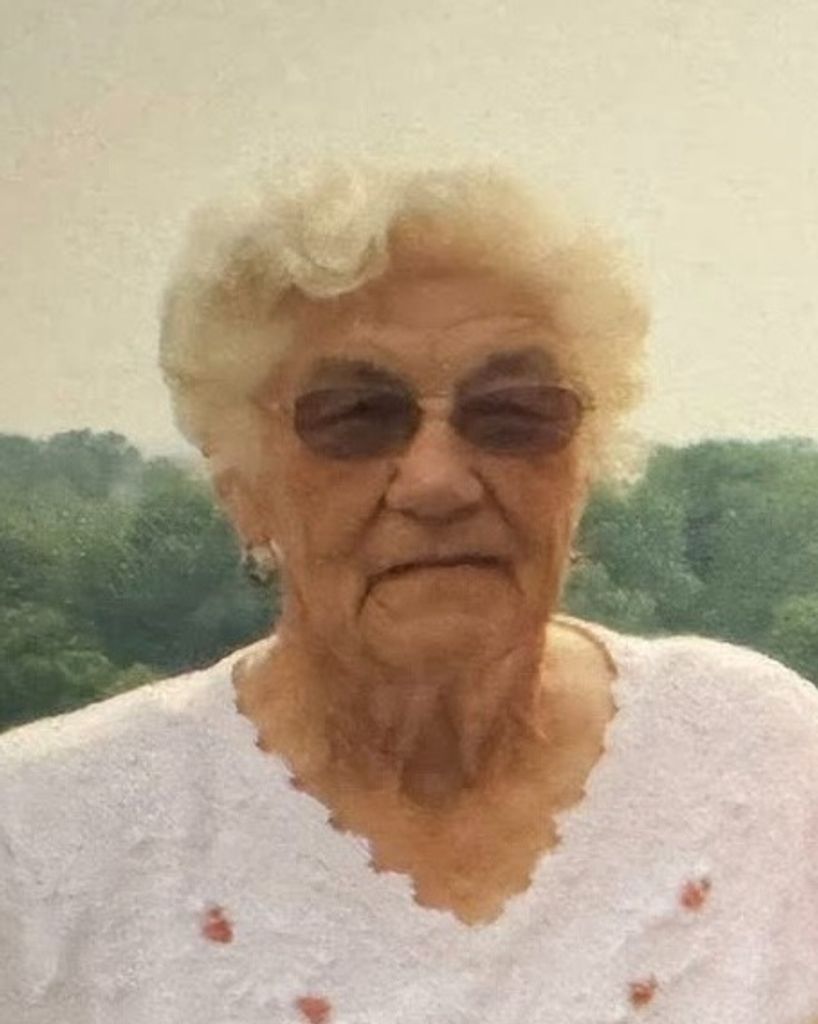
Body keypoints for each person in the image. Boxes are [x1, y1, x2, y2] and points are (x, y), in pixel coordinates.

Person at [1, 163, 817, 1024]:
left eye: (513, 410)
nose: (438, 481)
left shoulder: (767, 760)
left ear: (584, 464)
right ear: (240, 484)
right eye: (355, 417)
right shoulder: (44, 841)